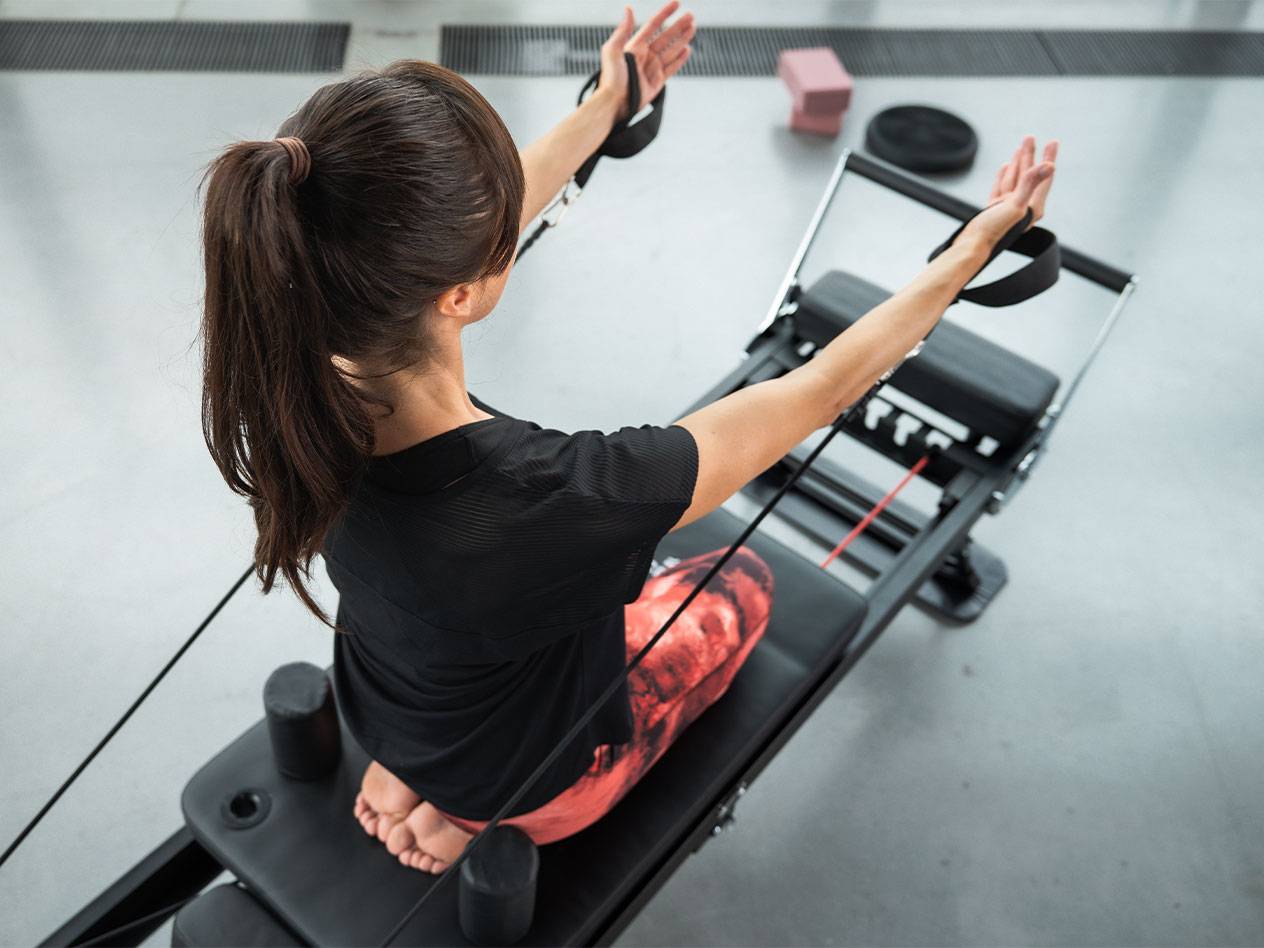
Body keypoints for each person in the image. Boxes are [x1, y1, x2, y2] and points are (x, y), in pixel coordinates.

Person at [198, 0, 1057, 875]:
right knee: (748, 586)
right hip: (537, 773)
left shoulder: (288, 359)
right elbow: (816, 389)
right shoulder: (549, 496)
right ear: (456, 292)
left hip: (387, 713)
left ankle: (422, 783)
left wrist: (608, 106)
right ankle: (482, 813)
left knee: (468, 657)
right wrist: (964, 260)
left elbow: (440, 245)